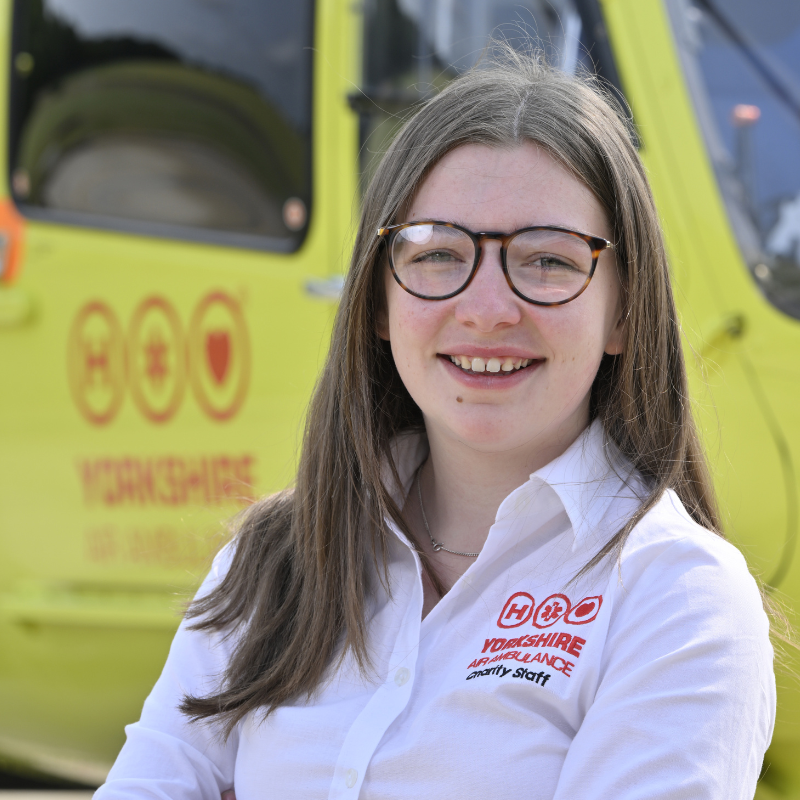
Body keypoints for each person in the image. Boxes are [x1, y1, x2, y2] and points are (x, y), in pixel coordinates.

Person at [96, 49, 775, 800]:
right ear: (379, 302)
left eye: (547, 261)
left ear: (623, 310)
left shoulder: (674, 599)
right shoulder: (273, 563)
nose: (486, 309)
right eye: (438, 253)